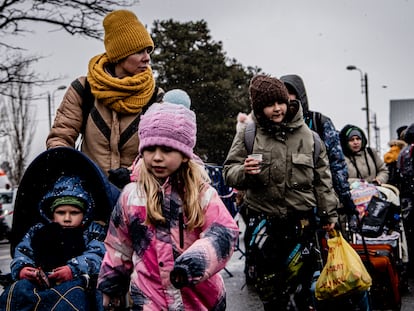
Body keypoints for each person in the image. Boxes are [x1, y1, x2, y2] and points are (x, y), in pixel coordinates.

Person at [97, 101, 239, 310]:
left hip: (198, 300)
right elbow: (119, 245)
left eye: (166, 149)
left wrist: (198, 259)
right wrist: (111, 285)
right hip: (149, 300)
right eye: (150, 148)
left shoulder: (201, 194)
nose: (156, 157)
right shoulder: (131, 196)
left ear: (183, 155)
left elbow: (223, 233)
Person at [223, 74, 338, 310]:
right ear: (258, 107)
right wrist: (244, 172)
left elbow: (323, 180)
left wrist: (329, 215)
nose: (277, 109)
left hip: (302, 226)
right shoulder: (248, 132)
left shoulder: (311, 137)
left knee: (306, 293)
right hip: (264, 226)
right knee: (272, 294)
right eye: (269, 105)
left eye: (280, 102)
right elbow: (229, 172)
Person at [46, 10, 163, 188]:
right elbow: (60, 139)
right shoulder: (84, 90)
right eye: (139, 51)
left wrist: (133, 175)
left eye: (148, 51)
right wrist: (74, 176)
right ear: (120, 55)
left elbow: (164, 150)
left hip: (140, 198)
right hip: (91, 195)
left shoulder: (154, 96)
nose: (147, 58)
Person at [0, 175, 106, 310]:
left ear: (84, 213)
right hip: (39, 284)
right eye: (61, 212)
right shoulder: (38, 231)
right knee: (17, 290)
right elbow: (23, 251)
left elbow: (98, 254)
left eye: (74, 212)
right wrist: (23, 268)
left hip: (78, 284)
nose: (67, 218)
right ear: (52, 214)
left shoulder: (93, 231)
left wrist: (73, 269)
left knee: (73, 297)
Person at [280, 74, 356, 215]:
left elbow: (336, 164)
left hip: (317, 204)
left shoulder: (319, 122)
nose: (287, 98)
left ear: (300, 95)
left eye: (291, 93)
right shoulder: (273, 125)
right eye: (283, 94)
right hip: (282, 209)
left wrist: (344, 197)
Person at [397, 123, 414, 277]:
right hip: (409, 199)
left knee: (409, 234)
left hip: (407, 200)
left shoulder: (403, 153)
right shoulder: (406, 153)